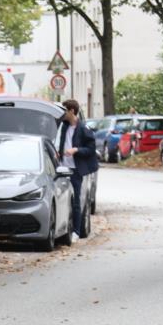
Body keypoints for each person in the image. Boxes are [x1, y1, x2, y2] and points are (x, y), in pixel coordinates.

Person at [57, 99, 99, 242]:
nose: (63, 113)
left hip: (75, 170)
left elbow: (91, 149)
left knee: (75, 201)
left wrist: (76, 150)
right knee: (61, 200)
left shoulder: (83, 129)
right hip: (62, 168)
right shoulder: (63, 126)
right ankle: (63, 230)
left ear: (72, 111)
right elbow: (60, 141)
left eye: (65, 110)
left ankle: (76, 231)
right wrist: (58, 152)